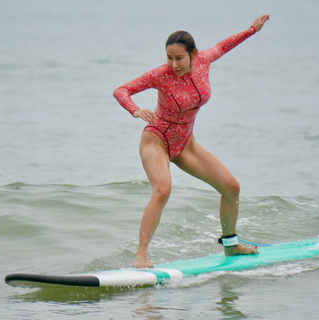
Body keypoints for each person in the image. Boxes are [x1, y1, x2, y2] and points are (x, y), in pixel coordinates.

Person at [113, 14, 270, 268]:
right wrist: (135, 110)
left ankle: (231, 246)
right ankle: (140, 254)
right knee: (162, 190)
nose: (173, 64)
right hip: (157, 139)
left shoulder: (204, 61)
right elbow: (121, 90)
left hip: (186, 143)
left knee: (231, 188)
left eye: (179, 58)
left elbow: (223, 46)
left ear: (193, 55)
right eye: (169, 58)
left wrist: (252, 29)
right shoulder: (160, 75)